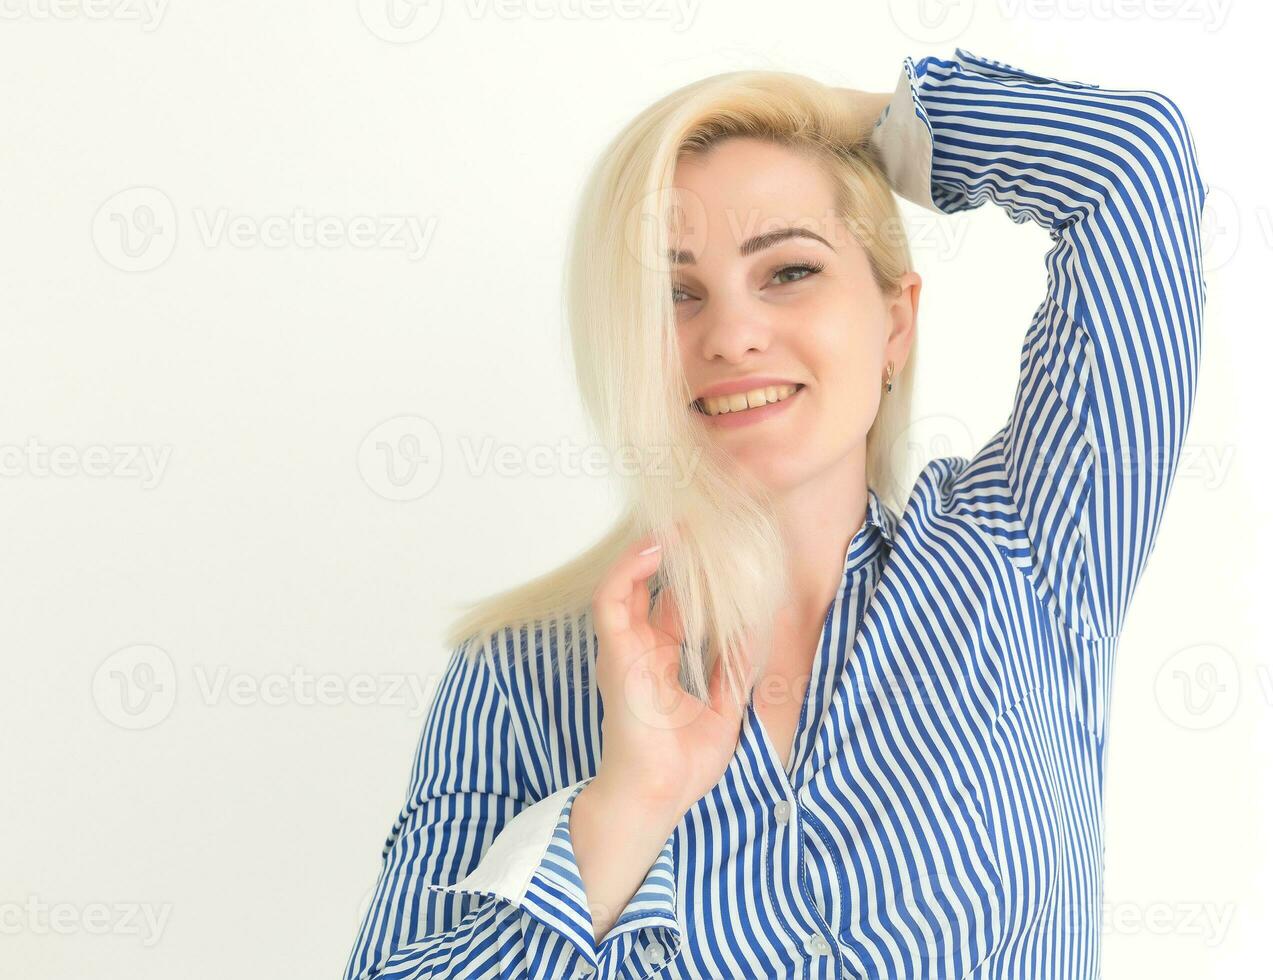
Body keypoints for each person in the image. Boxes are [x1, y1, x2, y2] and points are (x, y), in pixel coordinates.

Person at [343, 46, 1206, 980]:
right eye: (673, 294)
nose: (733, 334)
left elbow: (1133, 162)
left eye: (789, 269)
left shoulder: (1027, 553)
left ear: (896, 323)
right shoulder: (522, 676)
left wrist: (841, 121)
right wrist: (627, 808)